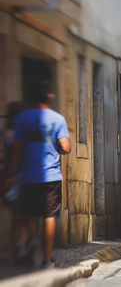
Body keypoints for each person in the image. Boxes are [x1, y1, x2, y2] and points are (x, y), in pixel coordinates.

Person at [6, 81, 71, 269]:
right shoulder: (58, 119)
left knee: (31, 214)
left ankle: (33, 241)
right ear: (49, 97)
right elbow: (66, 148)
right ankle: (46, 259)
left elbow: (17, 149)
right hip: (50, 175)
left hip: (29, 175)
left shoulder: (21, 119)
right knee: (49, 216)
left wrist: (11, 174)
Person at [1, 101, 29, 262]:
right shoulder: (26, 134)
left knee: (14, 216)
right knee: (25, 216)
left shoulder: (5, 135)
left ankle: (14, 247)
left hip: (11, 178)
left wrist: (8, 175)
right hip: (27, 177)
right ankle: (22, 245)